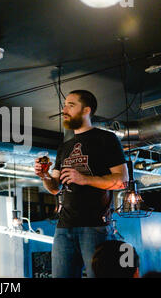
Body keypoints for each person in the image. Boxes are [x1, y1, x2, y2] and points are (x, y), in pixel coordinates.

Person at [34, 90, 128, 278]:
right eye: (64, 105)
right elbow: (54, 188)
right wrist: (44, 175)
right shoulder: (64, 146)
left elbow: (122, 180)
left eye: (71, 104)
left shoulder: (106, 139)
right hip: (63, 227)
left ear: (86, 110)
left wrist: (84, 179)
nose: (64, 109)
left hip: (94, 226)